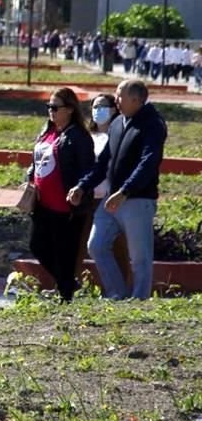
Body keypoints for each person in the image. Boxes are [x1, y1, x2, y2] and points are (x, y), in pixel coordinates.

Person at [68, 79, 167, 300]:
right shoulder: (117, 123)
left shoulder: (153, 124)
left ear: (136, 99)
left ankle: (139, 300)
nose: (116, 100)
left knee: (139, 257)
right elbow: (104, 163)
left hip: (136, 199)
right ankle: (118, 293)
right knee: (97, 245)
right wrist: (83, 186)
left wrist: (125, 190)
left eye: (120, 96)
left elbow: (149, 162)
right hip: (111, 200)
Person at [25, 88, 94, 302]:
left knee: (64, 252)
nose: (51, 112)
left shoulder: (78, 137)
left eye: (56, 108)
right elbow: (38, 159)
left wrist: (80, 187)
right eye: (49, 107)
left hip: (66, 207)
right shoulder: (48, 131)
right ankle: (67, 283)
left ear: (70, 110)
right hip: (42, 203)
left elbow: (89, 168)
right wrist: (30, 175)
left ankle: (66, 294)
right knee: (38, 245)